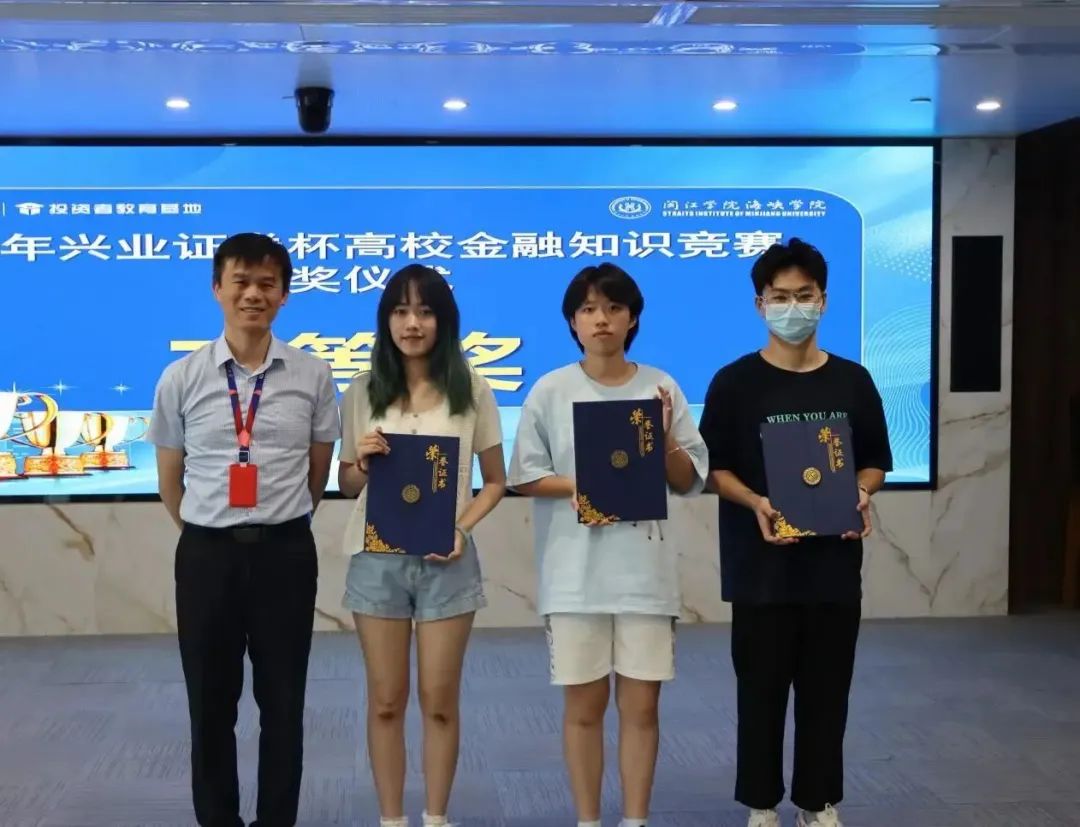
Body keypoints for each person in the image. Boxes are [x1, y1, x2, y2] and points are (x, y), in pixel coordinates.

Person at [697, 238, 893, 827]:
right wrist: (756, 501)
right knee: (759, 692)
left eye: (803, 296)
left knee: (827, 692)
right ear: (760, 305)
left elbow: (875, 461)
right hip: (761, 569)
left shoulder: (853, 381)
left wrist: (862, 492)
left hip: (833, 566)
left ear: (823, 300)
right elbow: (712, 469)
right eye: (779, 297)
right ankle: (762, 803)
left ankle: (818, 800)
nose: (792, 308)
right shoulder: (734, 383)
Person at [147, 232, 341, 827]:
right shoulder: (181, 377)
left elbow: (317, 472)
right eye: (241, 281)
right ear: (217, 288)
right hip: (207, 555)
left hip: (286, 553)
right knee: (210, 704)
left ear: (284, 295)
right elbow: (171, 481)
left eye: (267, 284)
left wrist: (278, 519)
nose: (253, 294)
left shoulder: (312, 374)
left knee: (283, 703)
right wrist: (212, 528)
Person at [507, 263, 709, 827]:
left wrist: (662, 436)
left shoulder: (661, 387)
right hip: (574, 575)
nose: (602, 319)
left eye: (614, 308)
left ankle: (635, 820)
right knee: (584, 707)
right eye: (589, 309)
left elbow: (688, 478)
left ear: (632, 319)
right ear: (573, 321)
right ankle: (589, 819)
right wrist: (584, 484)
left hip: (645, 574)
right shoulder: (551, 390)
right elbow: (525, 476)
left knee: (642, 708)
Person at [336, 264, 506, 827]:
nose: (413, 323)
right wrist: (362, 462)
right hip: (377, 559)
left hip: (446, 560)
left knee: (439, 700)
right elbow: (347, 483)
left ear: (444, 321)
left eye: (426, 311)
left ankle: (436, 817)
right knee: (386, 700)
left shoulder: (471, 388)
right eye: (402, 311)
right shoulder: (362, 389)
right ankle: (392, 819)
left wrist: (462, 527)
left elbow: (496, 481)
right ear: (386, 319)